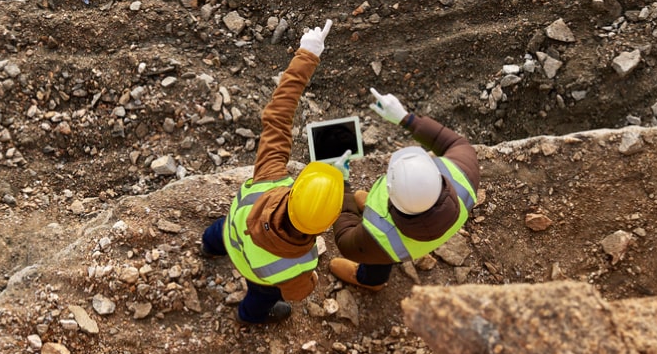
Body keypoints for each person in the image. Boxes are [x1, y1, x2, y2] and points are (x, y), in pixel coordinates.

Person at [201, 19, 344, 324]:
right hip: (258, 276)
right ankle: (249, 317)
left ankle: (209, 247)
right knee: (261, 300)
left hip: (232, 233)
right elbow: (296, 292)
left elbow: (278, 114)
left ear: (295, 190)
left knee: (217, 233)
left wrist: (307, 54)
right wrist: (313, 282)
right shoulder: (304, 262)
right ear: (324, 227)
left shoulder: (270, 178)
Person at [330, 87, 480, 291]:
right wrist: (406, 118)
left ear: (389, 193)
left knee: (378, 261)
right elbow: (455, 142)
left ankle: (371, 281)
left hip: (388, 246)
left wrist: (342, 184)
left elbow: (345, 239)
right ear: (437, 175)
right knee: (383, 249)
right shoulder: (464, 179)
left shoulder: (379, 237)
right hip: (428, 230)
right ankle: (371, 213)